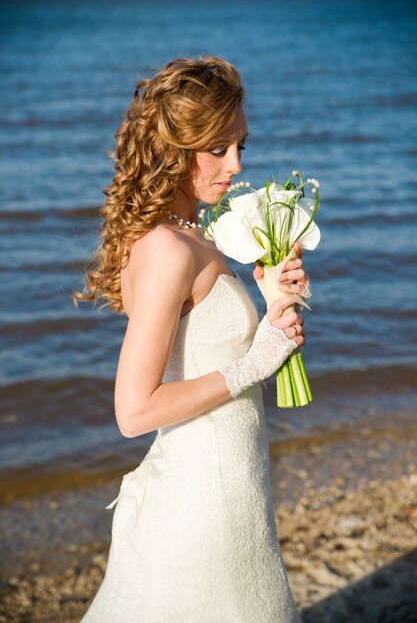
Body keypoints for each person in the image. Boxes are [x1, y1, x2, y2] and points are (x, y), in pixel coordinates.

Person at [74, 56, 309, 623]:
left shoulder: (191, 234)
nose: (235, 166)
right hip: (208, 501)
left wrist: (272, 297)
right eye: (217, 149)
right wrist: (256, 363)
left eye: (240, 147)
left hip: (232, 482)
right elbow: (133, 412)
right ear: (177, 150)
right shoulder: (167, 248)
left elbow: (212, 347)